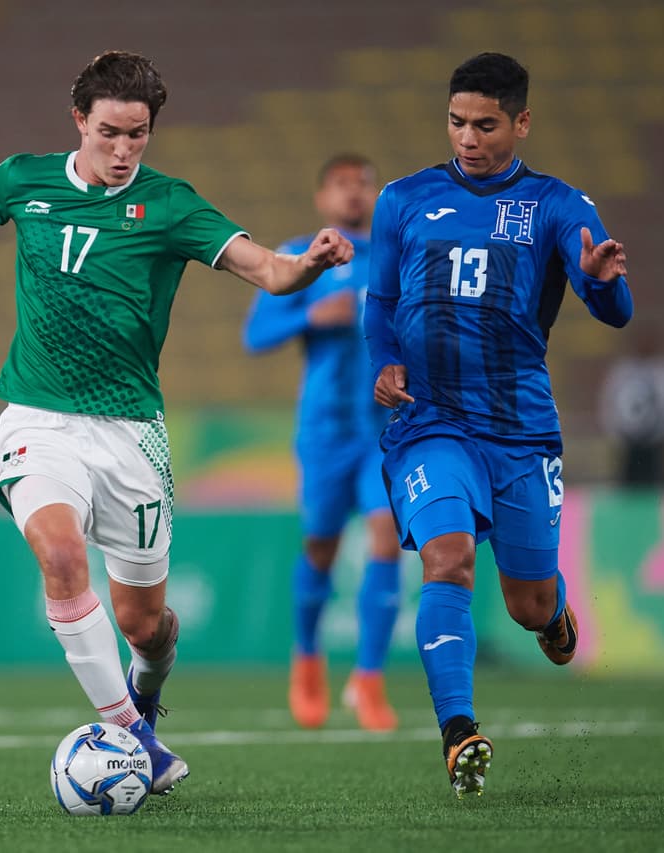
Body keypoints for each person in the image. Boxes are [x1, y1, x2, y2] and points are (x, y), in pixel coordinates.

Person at [0, 50, 353, 795]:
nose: (124, 150)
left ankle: (146, 693)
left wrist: (311, 262)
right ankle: (136, 740)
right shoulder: (26, 179)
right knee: (62, 557)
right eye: (110, 133)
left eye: (138, 135)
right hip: (39, 419)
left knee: (145, 627)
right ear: (79, 121)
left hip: (131, 434)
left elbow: (269, 270)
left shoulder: (170, 205)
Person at [365, 52, 632, 797]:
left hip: (518, 428)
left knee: (527, 603)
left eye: (485, 125)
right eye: (456, 122)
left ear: (522, 122)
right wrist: (384, 362)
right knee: (447, 557)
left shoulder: (557, 206)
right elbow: (380, 303)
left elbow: (614, 310)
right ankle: (459, 731)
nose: (467, 138)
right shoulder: (403, 199)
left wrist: (604, 286)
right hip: (430, 421)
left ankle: (552, 611)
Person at [242, 154, 401, 732]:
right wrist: (311, 317)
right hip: (325, 432)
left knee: (387, 539)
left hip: (383, 432)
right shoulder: (301, 254)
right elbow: (256, 334)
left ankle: (369, 681)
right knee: (321, 550)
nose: (354, 193)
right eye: (342, 185)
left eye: (364, 184)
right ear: (322, 198)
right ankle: (307, 659)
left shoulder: (394, 257)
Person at [597, 329, 664, 487]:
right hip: (629, 444)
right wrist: (619, 434)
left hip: (657, 444)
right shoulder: (623, 370)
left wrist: (658, 433)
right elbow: (609, 402)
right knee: (629, 485)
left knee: (656, 482)